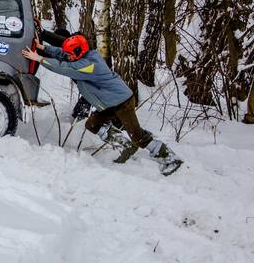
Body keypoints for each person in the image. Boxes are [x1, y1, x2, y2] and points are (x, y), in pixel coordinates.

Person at [22, 32, 184, 176]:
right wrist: (43, 47)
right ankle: (124, 145)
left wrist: (40, 59)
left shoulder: (89, 64)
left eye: (71, 54)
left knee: (137, 135)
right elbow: (63, 54)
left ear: (79, 52)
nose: (68, 56)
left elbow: (64, 68)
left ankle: (169, 157)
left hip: (122, 102)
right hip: (109, 104)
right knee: (92, 124)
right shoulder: (82, 56)